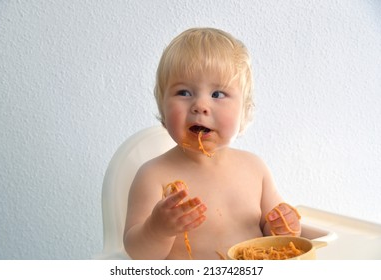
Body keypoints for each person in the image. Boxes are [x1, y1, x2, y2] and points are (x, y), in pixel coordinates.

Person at [123, 27, 301, 260]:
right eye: (184, 92)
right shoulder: (154, 175)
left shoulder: (255, 169)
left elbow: (273, 233)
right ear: (163, 107)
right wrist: (157, 229)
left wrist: (284, 226)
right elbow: (138, 254)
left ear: (244, 111)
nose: (200, 105)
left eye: (217, 94)